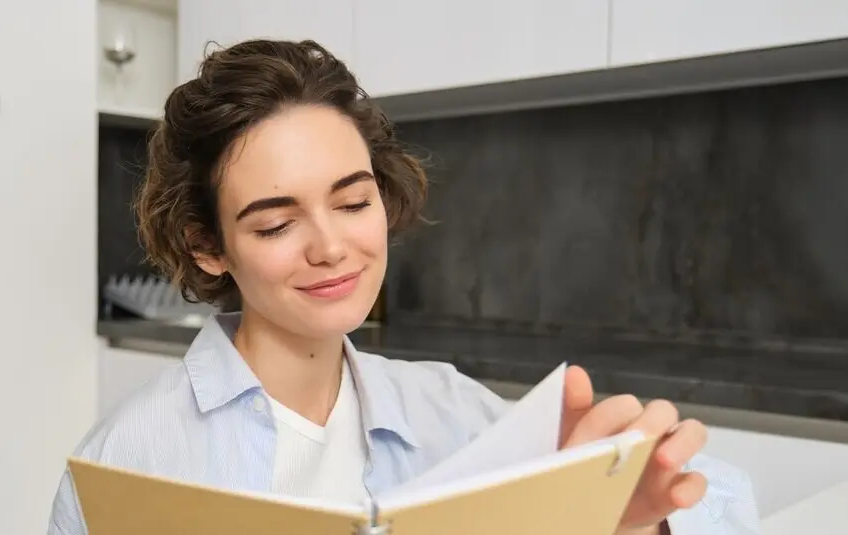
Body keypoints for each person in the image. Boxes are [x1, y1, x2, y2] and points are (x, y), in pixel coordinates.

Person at [50, 39, 759, 535]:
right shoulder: (130, 458)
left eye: (354, 203)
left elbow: (724, 502)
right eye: (274, 224)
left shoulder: (449, 410)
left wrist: (623, 520)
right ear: (209, 246)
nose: (332, 247)